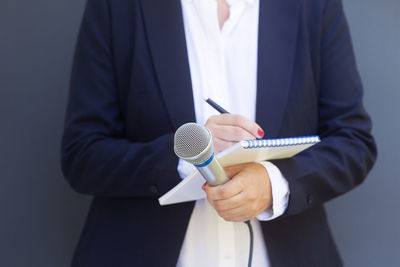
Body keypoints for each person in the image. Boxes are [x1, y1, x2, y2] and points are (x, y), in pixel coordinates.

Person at [61, 0, 377, 266]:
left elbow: (353, 141)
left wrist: (274, 184)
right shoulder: (119, 7)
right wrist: (190, 154)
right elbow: (83, 154)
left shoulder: (312, 5)